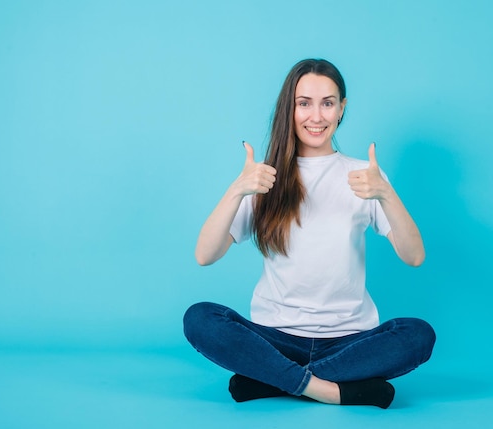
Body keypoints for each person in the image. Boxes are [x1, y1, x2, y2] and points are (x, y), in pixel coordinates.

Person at [183, 58, 436, 408]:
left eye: (327, 103)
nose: (316, 117)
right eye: (304, 104)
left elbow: (414, 256)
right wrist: (237, 190)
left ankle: (273, 379)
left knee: (418, 334)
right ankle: (330, 389)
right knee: (200, 318)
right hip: (275, 336)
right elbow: (204, 255)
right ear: (290, 107)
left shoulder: (366, 176)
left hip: (349, 339)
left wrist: (386, 195)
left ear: (341, 108)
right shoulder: (263, 179)